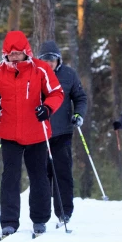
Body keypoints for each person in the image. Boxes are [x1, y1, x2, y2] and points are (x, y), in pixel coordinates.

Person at [0, 31, 64, 236]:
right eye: (10, 53)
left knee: (39, 175)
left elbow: (56, 93)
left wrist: (48, 108)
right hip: (10, 133)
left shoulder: (40, 69)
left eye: (18, 53)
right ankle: (8, 220)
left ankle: (40, 219)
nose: (14, 56)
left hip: (37, 132)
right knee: (10, 176)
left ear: (26, 52)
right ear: (4, 53)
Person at [37, 41, 87, 224]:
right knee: (41, 175)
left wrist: (78, 114)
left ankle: (64, 212)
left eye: (52, 59)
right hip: (39, 133)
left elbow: (80, 98)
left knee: (62, 172)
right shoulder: (34, 74)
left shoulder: (68, 74)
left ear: (58, 59)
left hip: (62, 132)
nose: (48, 62)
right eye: (44, 59)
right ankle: (40, 215)